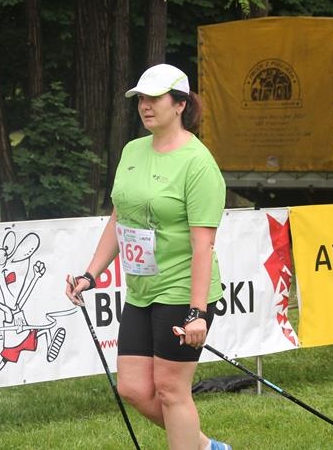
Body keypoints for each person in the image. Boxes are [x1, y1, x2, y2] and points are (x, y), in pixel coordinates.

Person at [65, 63, 230, 450]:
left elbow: (203, 245)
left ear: (180, 104)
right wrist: (90, 275)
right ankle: (206, 447)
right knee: (133, 388)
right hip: (141, 290)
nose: (145, 105)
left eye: (155, 98)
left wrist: (197, 311)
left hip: (181, 290)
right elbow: (120, 219)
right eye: (141, 98)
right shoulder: (132, 151)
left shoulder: (198, 163)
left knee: (171, 390)